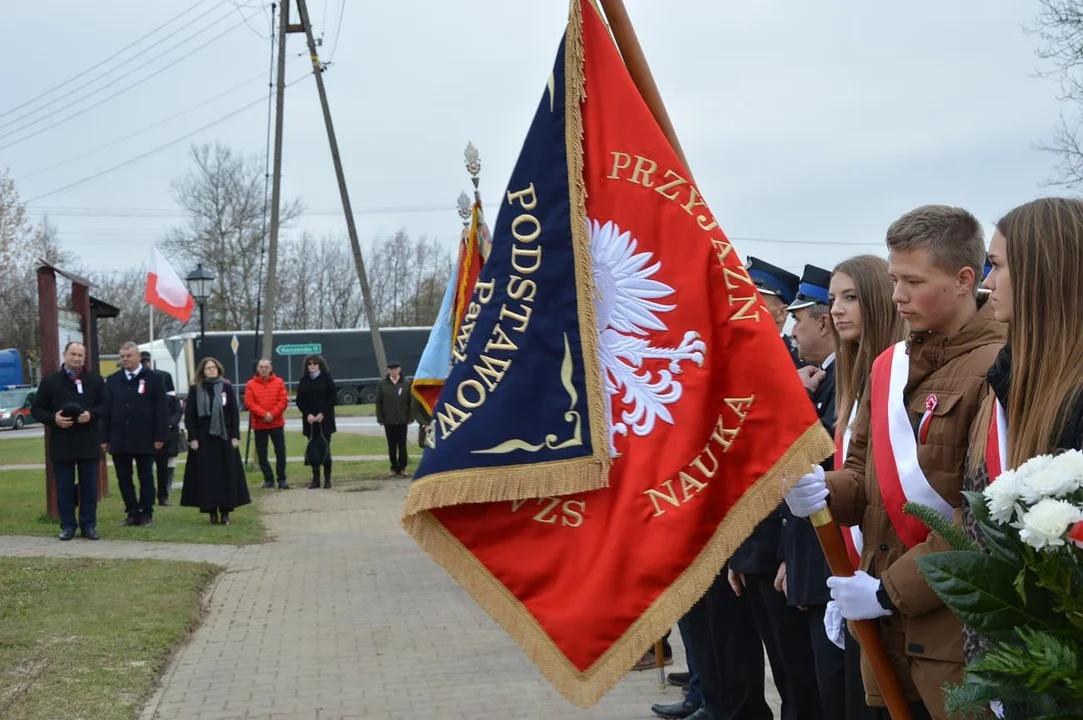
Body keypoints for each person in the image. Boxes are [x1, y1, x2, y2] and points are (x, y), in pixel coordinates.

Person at [783, 205, 1006, 719]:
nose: (897, 296)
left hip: (952, 635)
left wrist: (889, 591)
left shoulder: (998, 366)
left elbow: (983, 514)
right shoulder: (890, 365)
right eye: (892, 280)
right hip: (888, 636)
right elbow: (864, 475)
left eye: (913, 281)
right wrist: (825, 488)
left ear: (963, 279)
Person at [963, 197, 1083, 661]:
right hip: (1008, 664)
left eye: (996, 266)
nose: (988, 282)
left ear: (1042, 274)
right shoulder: (1007, 377)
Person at [728, 256, 821, 720]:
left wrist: (785, 550)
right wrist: (738, 549)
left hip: (786, 543)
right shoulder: (749, 364)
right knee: (785, 669)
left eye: (754, 301)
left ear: (780, 311)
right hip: (756, 543)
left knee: (802, 677)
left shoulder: (793, 366)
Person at [827, 255, 907, 720]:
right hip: (856, 564)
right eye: (834, 299)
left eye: (851, 297)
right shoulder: (855, 381)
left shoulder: (896, 376)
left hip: (889, 569)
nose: (837, 310)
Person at [778, 264, 844, 720]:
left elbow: (817, 458)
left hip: (832, 561)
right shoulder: (822, 376)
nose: (793, 330)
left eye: (798, 319)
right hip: (804, 556)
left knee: (831, 693)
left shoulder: (840, 381)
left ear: (822, 322)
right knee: (806, 684)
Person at [30, 341, 109, 541]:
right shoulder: (50, 382)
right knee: (64, 487)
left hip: (88, 442)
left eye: (80, 355)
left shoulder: (95, 380)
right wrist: (52, 419)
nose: (76, 358)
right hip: (62, 443)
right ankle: (67, 525)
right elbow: (37, 409)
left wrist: (91, 415)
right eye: (73, 354)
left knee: (89, 487)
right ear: (64, 355)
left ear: (84, 358)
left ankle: (88, 525)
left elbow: (106, 406)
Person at [102, 341, 168, 527]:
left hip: (145, 438)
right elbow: (107, 411)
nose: (125, 359)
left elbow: (161, 410)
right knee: (124, 478)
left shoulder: (154, 378)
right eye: (122, 356)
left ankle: (147, 513)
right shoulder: (113, 379)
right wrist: (105, 438)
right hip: (119, 438)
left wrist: (159, 437)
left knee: (145, 476)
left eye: (129, 356)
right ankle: (132, 512)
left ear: (138, 356)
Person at [180, 356, 251, 525]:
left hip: (224, 436)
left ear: (218, 369)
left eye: (213, 367)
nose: (211, 370)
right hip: (204, 438)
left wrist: (235, 436)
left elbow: (234, 413)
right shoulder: (196, 389)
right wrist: (193, 438)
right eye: (207, 368)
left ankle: (226, 511)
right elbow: (190, 417)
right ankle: (211, 511)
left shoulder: (225, 386)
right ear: (202, 371)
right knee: (208, 476)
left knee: (226, 474)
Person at [140, 351, 182, 506]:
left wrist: (169, 423)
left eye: (148, 361)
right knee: (145, 468)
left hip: (166, 434)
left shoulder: (165, 380)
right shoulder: (142, 384)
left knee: (163, 467)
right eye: (144, 361)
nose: (146, 364)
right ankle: (148, 497)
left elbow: (177, 410)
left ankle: (163, 496)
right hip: (147, 434)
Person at [245, 358, 289, 490]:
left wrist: (272, 414)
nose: (264, 369)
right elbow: (249, 403)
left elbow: (283, 400)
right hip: (260, 425)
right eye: (261, 367)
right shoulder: (250, 384)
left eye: (266, 367)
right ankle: (268, 479)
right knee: (262, 453)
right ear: (258, 368)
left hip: (277, 423)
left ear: (271, 368)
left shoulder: (279, 382)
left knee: (280, 452)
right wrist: (264, 415)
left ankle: (282, 479)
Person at [296, 353, 337, 489]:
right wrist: (307, 414)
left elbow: (333, 398)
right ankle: (315, 479)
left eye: (315, 363)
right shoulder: (304, 381)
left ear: (320, 364)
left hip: (325, 420)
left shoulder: (327, 379)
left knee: (325, 449)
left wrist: (322, 413)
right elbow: (299, 401)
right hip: (310, 422)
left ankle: (327, 479)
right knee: (313, 450)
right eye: (310, 364)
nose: (312, 366)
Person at [376, 361, 414, 477]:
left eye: (395, 369)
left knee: (402, 445)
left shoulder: (406, 383)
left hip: (402, 420)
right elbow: (379, 402)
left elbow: (410, 402)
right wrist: (380, 418)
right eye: (391, 369)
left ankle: (402, 467)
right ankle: (393, 467)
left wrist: (410, 417)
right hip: (389, 420)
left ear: (399, 370)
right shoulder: (383, 384)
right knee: (391, 445)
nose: (393, 371)